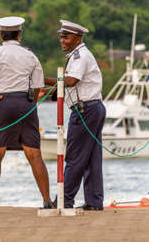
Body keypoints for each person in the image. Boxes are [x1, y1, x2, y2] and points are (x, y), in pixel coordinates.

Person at [0, 16, 54, 214]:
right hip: (25, 103)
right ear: (19, 34)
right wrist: (32, 104)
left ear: (1, 34)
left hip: (0, 104)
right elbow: (38, 85)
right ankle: (47, 201)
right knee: (34, 154)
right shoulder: (30, 56)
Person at [43, 20, 106, 210]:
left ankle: (64, 201)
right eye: (61, 36)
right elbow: (72, 86)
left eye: (66, 37)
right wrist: (48, 91)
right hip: (93, 108)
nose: (62, 40)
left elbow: (70, 81)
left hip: (86, 111)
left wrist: (41, 79)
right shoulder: (78, 55)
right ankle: (94, 203)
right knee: (91, 159)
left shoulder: (80, 56)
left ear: (78, 38)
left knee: (75, 158)